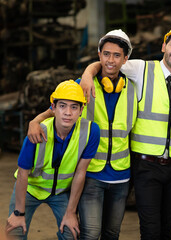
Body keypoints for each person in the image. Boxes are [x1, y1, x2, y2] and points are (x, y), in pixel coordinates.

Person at [80, 24, 171, 240]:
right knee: (150, 231)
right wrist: (87, 74)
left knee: (169, 231)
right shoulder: (142, 69)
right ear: (163, 46)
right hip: (146, 165)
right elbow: (110, 62)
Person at [26, 29, 137, 239]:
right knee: (90, 233)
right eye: (106, 54)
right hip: (91, 173)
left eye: (116, 55)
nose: (110, 60)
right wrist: (36, 120)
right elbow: (57, 109)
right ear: (99, 55)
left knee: (112, 233)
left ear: (125, 59)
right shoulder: (83, 85)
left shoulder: (133, 88)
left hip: (121, 176)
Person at [6, 80, 100, 240]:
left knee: (71, 233)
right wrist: (18, 213)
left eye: (74, 107)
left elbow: (80, 173)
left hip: (60, 192)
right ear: (53, 108)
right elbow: (22, 174)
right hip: (31, 189)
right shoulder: (37, 131)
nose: (68, 112)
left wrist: (70, 213)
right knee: (14, 231)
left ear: (82, 110)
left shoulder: (91, 131)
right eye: (62, 106)